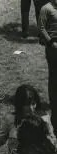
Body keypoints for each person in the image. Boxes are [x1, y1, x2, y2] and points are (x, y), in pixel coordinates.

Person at [38, 0, 57, 139]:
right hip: (53, 48)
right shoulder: (46, 9)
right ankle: (53, 102)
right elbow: (41, 28)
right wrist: (51, 42)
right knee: (54, 76)